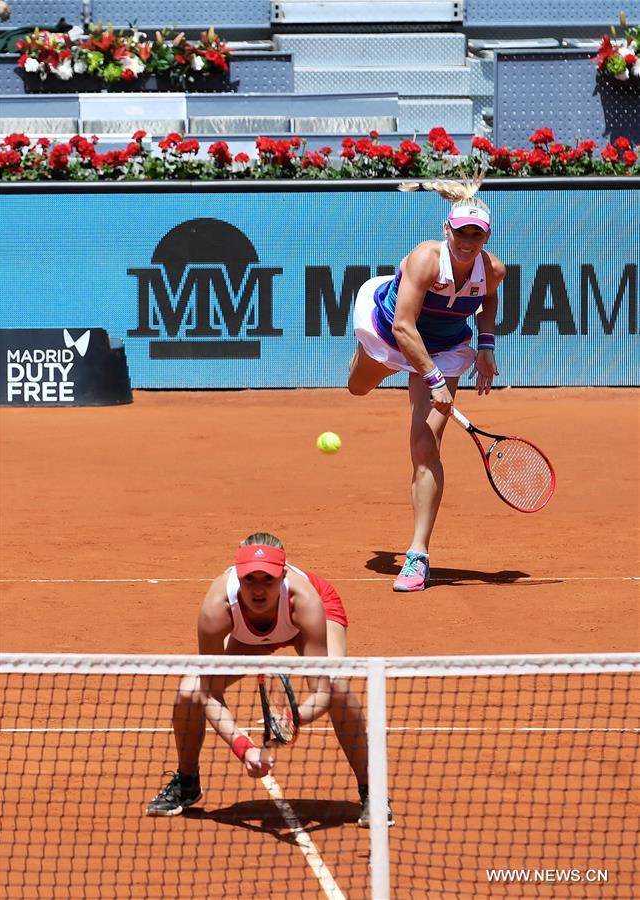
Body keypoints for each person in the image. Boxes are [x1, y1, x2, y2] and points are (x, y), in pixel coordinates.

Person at [145, 532, 392, 827]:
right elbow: (209, 692)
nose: (258, 589)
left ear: (283, 575)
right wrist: (244, 747)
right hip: (247, 636)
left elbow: (323, 691)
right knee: (188, 691)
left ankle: (372, 791)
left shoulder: (306, 600)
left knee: (338, 686)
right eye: (250, 579)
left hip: (300, 624)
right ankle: (186, 782)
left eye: (268, 579)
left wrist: (289, 720)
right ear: (238, 575)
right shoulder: (216, 607)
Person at [348, 172, 505, 592]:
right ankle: (373, 363)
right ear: (447, 230)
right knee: (357, 386)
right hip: (392, 334)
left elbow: (488, 301)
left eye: (477, 234)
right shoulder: (424, 259)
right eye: (462, 232)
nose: (469, 241)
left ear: (485, 236)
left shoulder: (492, 270)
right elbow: (404, 326)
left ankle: (418, 555)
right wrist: (432, 379)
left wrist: (486, 345)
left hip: (447, 346)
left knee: (424, 445)